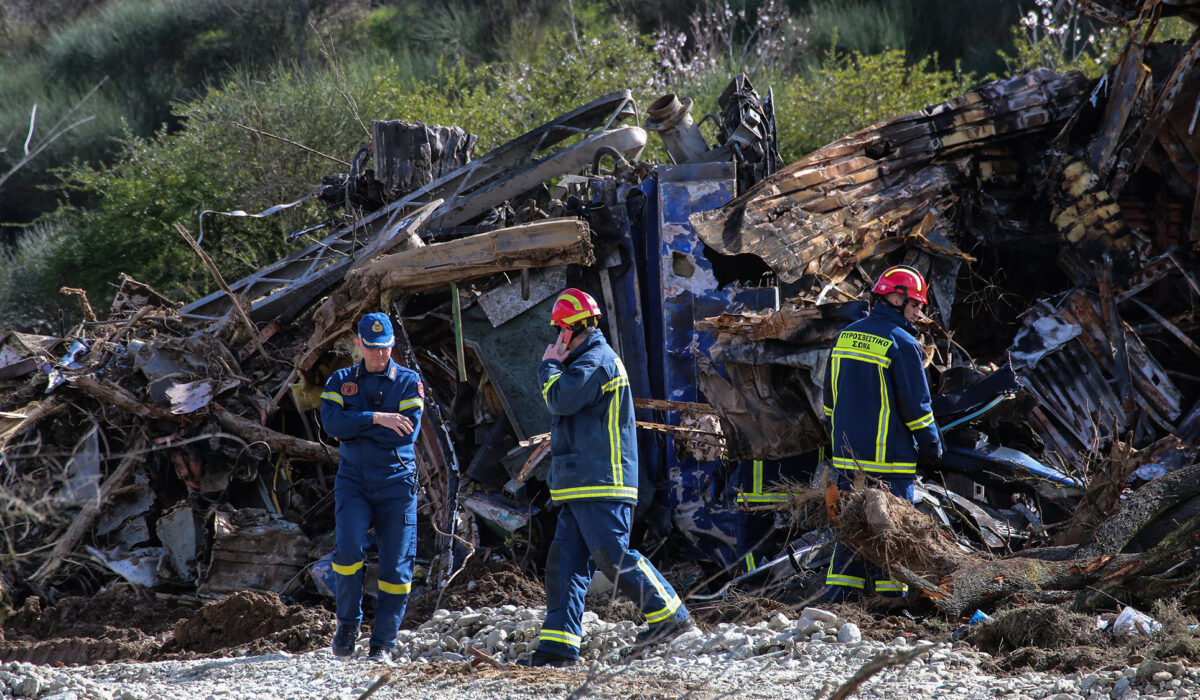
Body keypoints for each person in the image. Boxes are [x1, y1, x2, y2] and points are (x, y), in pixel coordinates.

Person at [521, 288, 694, 667]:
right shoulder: (587, 360)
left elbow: (559, 399)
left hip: (602, 482)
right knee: (565, 563)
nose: (556, 339)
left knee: (612, 555)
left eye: (558, 332)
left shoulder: (596, 362)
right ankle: (557, 648)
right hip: (580, 483)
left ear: (567, 332)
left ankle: (672, 617)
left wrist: (548, 365)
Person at [821, 265, 942, 600]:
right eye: (916, 305)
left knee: (852, 527)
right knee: (892, 531)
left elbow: (829, 398)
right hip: (889, 459)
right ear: (895, 297)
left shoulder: (846, 335)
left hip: (848, 457)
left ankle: (841, 601)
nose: (919, 313)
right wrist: (932, 446)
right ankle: (893, 602)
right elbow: (916, 406)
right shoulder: (902, 343)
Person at [320, 312, 425, 662]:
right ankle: (348, 625)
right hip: (354, 481)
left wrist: (353, 427)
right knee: (348, 552)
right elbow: (330, 423)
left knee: (396, 567)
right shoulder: (340, 380)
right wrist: (377, 418)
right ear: (358, 345)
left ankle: (383, 644)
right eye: (372, 348)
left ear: (393, 344)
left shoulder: (408, 382)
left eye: (385, 348)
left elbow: (407, 432)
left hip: (397, 483)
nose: (379, 355)